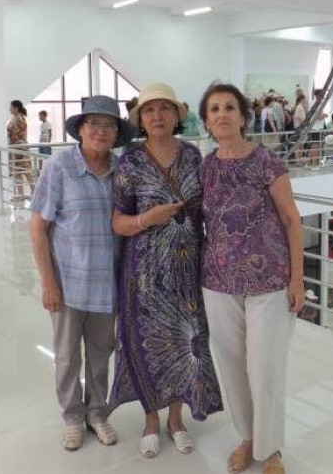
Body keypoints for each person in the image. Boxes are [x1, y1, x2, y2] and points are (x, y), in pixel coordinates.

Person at [107, 83, 222, 459]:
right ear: (140, 119)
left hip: (188, 270)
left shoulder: (192, 156)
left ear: (177, 116)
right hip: (144, 273)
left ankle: (176, 420)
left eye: (164, 108)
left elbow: (208, 209)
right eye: (149, 110)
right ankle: (151, 421)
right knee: (147, 344)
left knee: (184, 344)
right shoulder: (130, 161)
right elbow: (118, 222)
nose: (157, 116)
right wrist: (147, 219)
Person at [199, 83, 305, 474]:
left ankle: (270, 448)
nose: (222, 114)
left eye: (229, 107)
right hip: (218, 282)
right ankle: (247, 437)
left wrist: (297, 280)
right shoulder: (206, 167)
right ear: (207, 121)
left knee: (265, 369)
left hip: (270, 282)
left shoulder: (266, 161)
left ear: (243, 116)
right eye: (214, 109)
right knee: (231, 366)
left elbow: (292, 220)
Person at [29, 95, 136, 451]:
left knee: (101, 354)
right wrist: (48, 282)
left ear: (117, 133)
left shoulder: (122, 170)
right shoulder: (59, 167)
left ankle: (97, 413)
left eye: (109, 125)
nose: (101, 131)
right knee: (66, 356)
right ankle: (72, 417)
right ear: (81, 129)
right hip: (68, 284)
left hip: (107, 285)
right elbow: (38, 228)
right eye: (94, 124)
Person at [7, 99, 35, 201]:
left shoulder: (18, 119)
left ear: (16, 108)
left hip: (19, 148)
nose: (9, 109)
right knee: (18, 171)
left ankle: (34, 191)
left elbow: (15, 134)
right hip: (17, 148)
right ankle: (21, 194)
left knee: (26, 170)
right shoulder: (18, 118)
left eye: (11, 107)